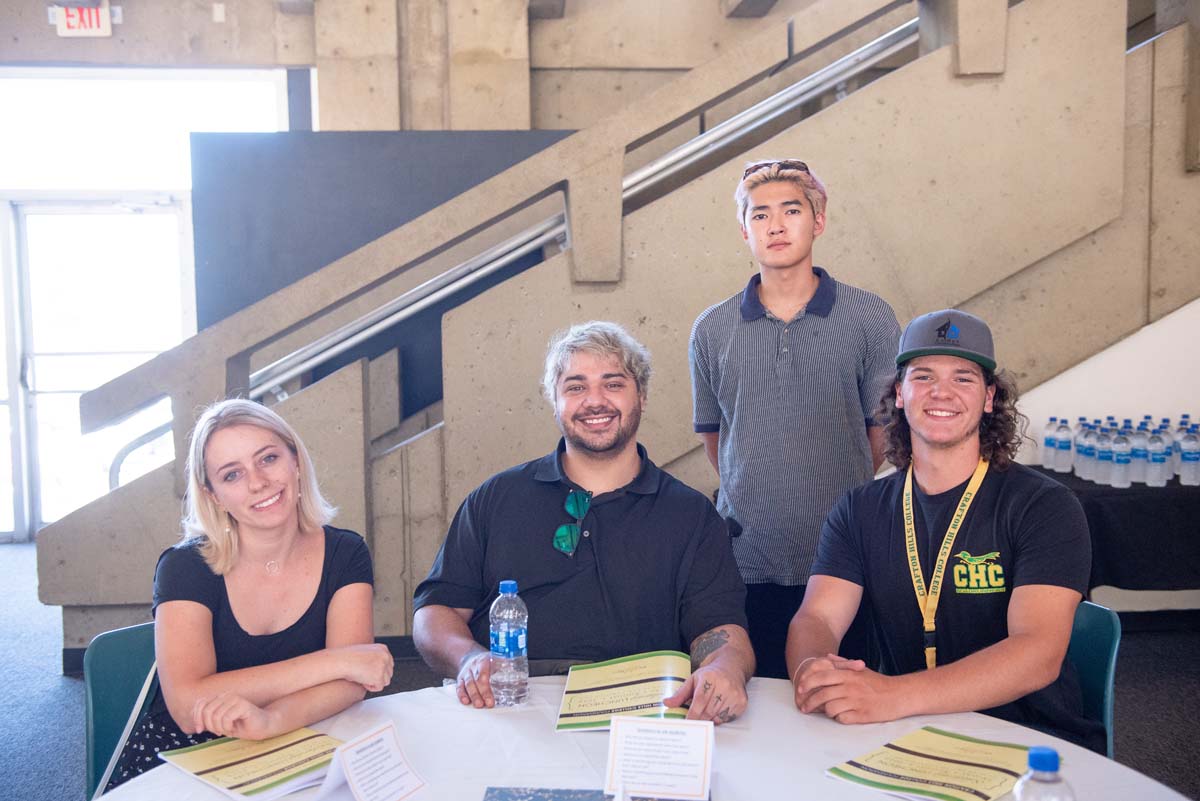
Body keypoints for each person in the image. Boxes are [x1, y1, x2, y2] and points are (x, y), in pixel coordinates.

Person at [786, 309, 1104, 752]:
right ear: (899, 393)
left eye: (963, 378)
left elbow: (1038, 654)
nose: (942, 392)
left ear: (990, 398)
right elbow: (817, 617)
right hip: (902, 733)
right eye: (923, 376)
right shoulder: (859, 509)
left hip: (1029, 741)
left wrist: (891, 694)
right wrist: (815, 674)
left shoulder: (1043, 506)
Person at [413, 321, 754, 723]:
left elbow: (720, 632)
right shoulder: (496, 499)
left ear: (641, 396)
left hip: (640, 713)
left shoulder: (691, 515)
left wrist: (724, 668)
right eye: (576, 387)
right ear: (554, 400)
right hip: (510, 706)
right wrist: (469, 658)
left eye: (613, 384)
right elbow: (435, 612)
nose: (595, 401)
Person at [105, 399, 393, 790]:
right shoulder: (184, 567)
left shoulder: (346, 552)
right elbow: (189, 706)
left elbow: (353, 681)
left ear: (295, 460)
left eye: (268, 458)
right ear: (213, 496)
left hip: (296, 736)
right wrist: (336, 660)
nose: (257, 482)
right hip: (184, 752)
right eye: (232, 475)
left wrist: (270, 720)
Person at [689, 159, 900, 678]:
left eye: (791, 210)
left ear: (818, 220)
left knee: (838, 697)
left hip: (842, 557)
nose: (776, 225)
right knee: (753, 702)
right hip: (746, 553)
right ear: (744, 230)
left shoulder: (870, 317)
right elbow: (718, 438)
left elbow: (881, 435)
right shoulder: (712, 329)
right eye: (760, 215)